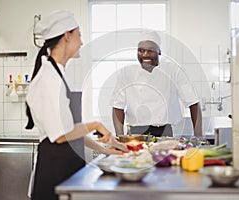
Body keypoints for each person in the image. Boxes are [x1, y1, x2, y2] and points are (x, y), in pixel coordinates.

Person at [25, 10, 127, 200]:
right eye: (78, 35)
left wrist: (105, 150)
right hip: (54, 172)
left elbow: (70, 130)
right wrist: (96, 125)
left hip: (65, 168)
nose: (81, 42)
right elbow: (61, 135)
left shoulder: (57, 74)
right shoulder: (49, 78)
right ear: (66, 36)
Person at [110, 31, 202, 137]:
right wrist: (120, 137)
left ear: (159, 51)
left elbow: (193, 102)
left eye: (151, 50)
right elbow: (117, 106)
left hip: (165, 133)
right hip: (135, 133)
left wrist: (198, 136)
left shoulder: (174, 71)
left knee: (167, 154)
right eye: (141, 50)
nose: (145, 54)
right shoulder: (126, 73)